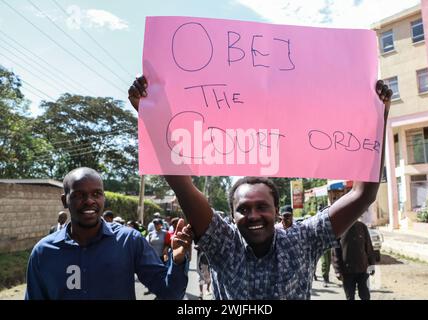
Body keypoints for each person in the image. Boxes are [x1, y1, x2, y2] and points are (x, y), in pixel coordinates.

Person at [128, 76, 392, 299]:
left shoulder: (303, 240)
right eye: (243, 209)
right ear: (231, 217)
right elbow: (181, 183)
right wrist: (150, 113)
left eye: (261, 207)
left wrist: (378, 115)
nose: (253, 214)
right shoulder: (224, 243)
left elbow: (363, 194)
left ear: (277, 211)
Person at [25, 167, 192, 300]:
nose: (89, 200)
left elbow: (170, 293)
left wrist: (177, 260)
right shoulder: (43, 252)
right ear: (64, 200)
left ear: (103, 198)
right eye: (79, 195)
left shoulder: (129, 241)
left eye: (96, 194)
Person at [331, 220, 376, 300]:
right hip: (347, 271)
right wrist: (337, 270)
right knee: (350, 296)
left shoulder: (362, 226)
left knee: (365, 295)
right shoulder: (340, 228)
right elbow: (335, 251)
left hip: (362, 269)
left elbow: (368, 247)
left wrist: (372, 264)